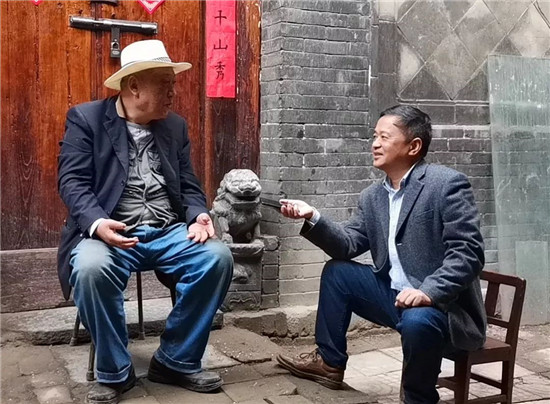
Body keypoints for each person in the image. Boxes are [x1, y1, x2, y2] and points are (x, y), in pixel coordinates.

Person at [57, 39, 233, 404]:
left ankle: (175, 360)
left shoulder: (174, 127)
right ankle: (115, 371)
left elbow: (188, 184)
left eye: (173, 83)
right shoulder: (87, 119)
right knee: (89, 267)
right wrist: (97, 223)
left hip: (168, 231)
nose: (173, 92)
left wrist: (198, 214)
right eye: (165, 84)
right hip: (112, 232)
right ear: (134, 86)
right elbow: (72, 182)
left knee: (216, 258)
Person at [275, 105, 486, 404]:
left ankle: (418, 398)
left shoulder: (446, 185)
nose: (375, 144)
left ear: (413, 146)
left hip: (442, 309)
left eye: (384, 137)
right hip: (394, 297)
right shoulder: (373, 197)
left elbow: (468, 253)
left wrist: (427, 292)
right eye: (374, 136)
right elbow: (348, 244)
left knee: (417, 320)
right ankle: (329, 362)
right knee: (338, 273)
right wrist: (313, 217)